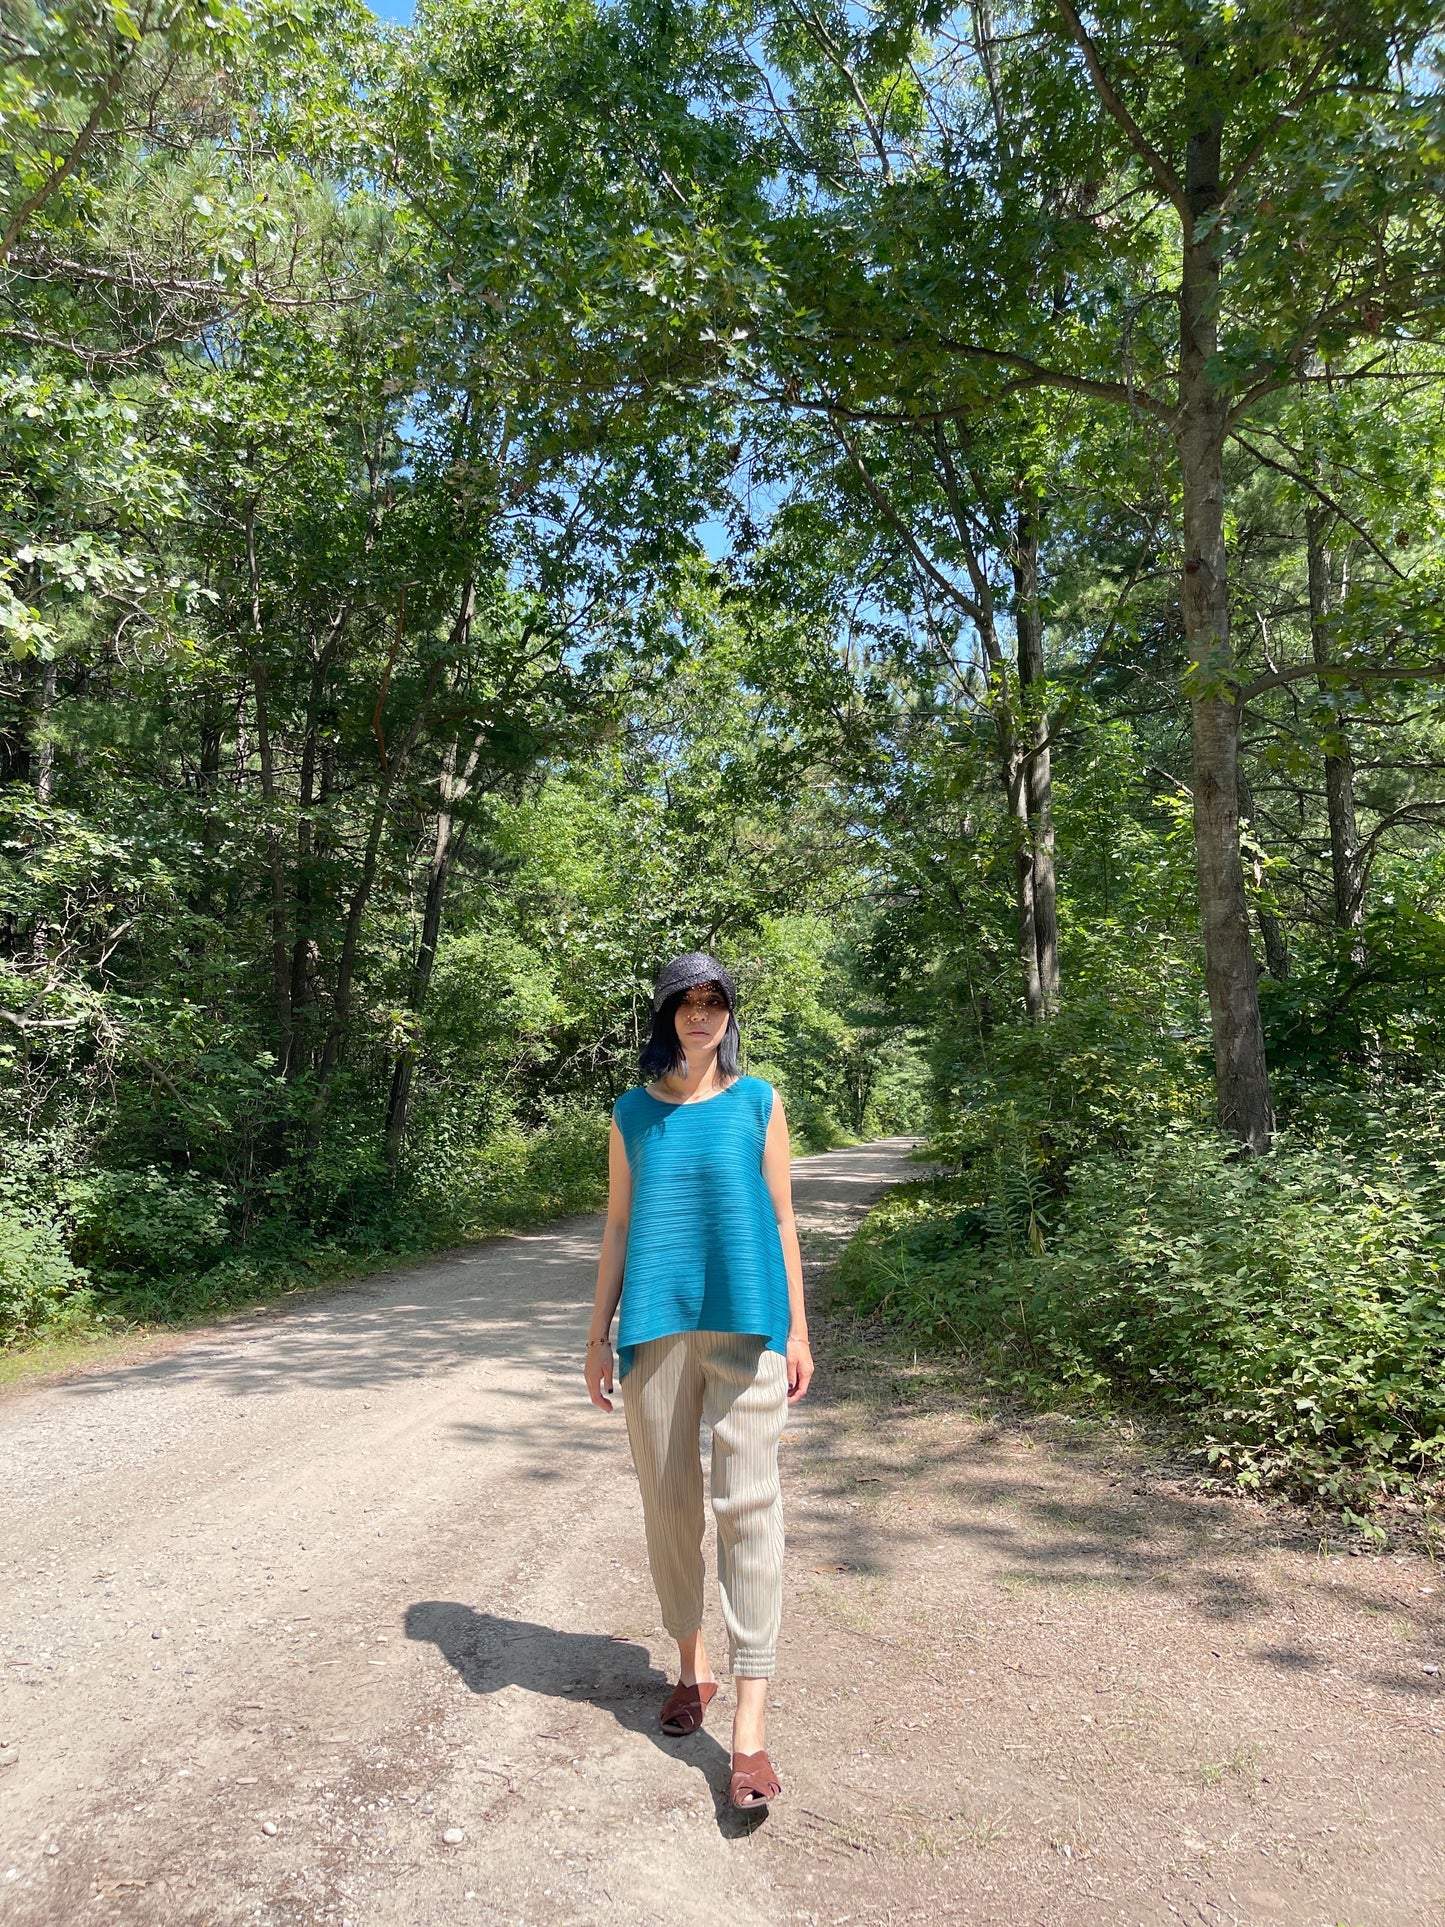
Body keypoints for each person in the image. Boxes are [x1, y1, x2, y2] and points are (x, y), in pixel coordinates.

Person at [584, 950, 813, 1812]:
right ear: (665, 1015)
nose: (700, 1014)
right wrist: (596, 1335)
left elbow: (785, 1216)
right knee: (669, 1502)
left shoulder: (759, 1102)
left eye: (714, 1002)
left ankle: (750, 1726)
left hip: (747, 1324)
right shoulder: (632, 1113)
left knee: (749, 1506)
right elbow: (615, 1228)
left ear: (729, 1015)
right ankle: (692, 1666)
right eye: (686, 1001)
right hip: (652, 1327)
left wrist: (797, 1328)